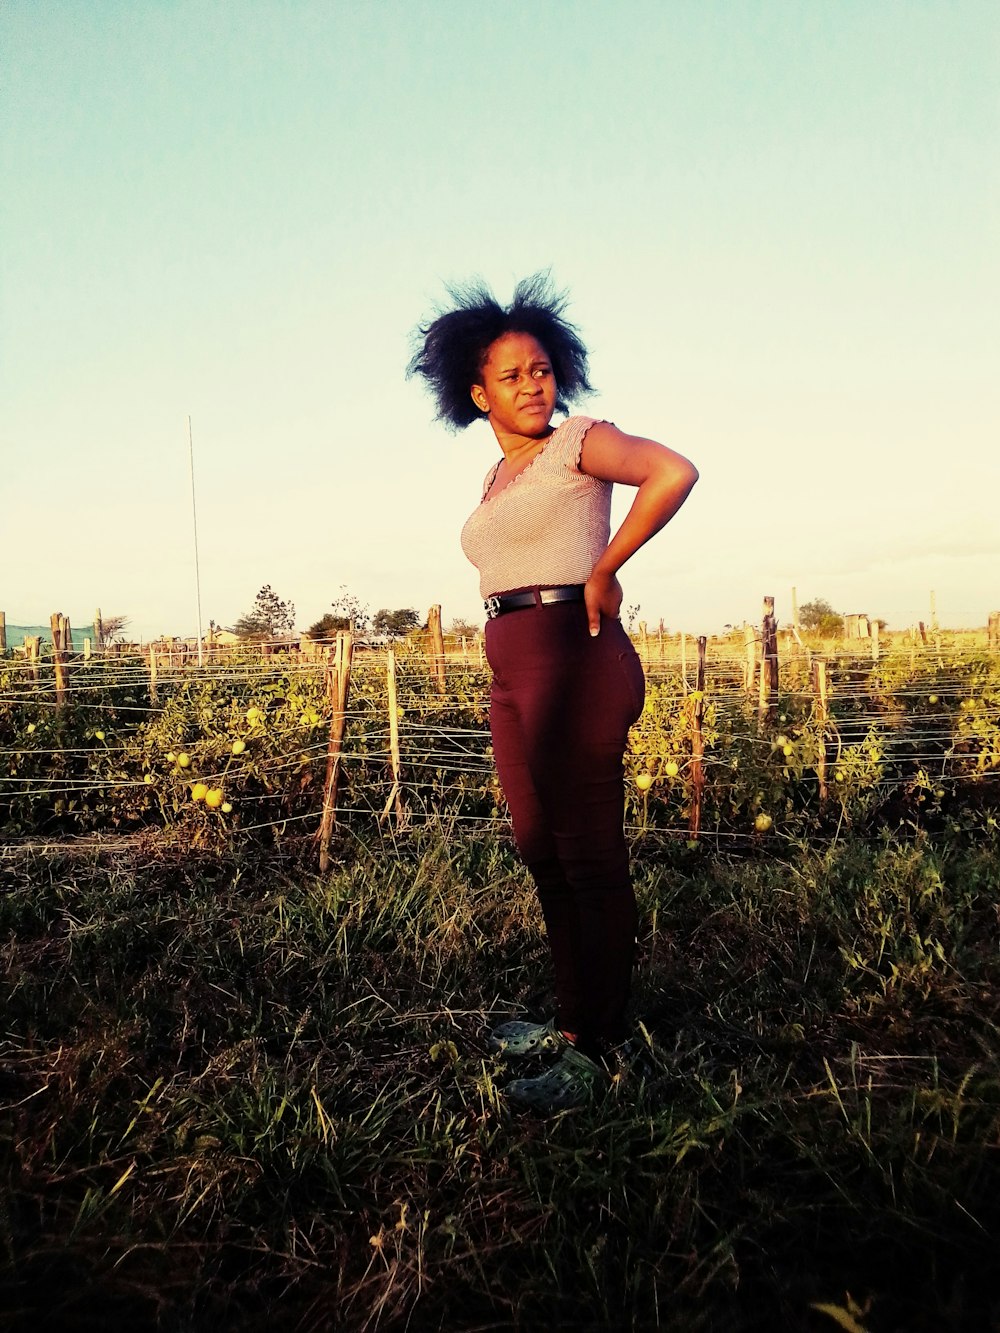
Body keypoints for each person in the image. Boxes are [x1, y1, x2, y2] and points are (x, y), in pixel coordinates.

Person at [408, 273, 698, 1110]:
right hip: (513, 663)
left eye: (541, 369)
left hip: (573, 654)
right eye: (511, 375)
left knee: (589, 856)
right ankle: (573, 1019)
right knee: (541, 847)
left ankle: (599, 1047)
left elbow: (672, 472)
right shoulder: (501, 479)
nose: (533, 384)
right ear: (476, 393)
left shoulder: (579, 441)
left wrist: (608, 567)